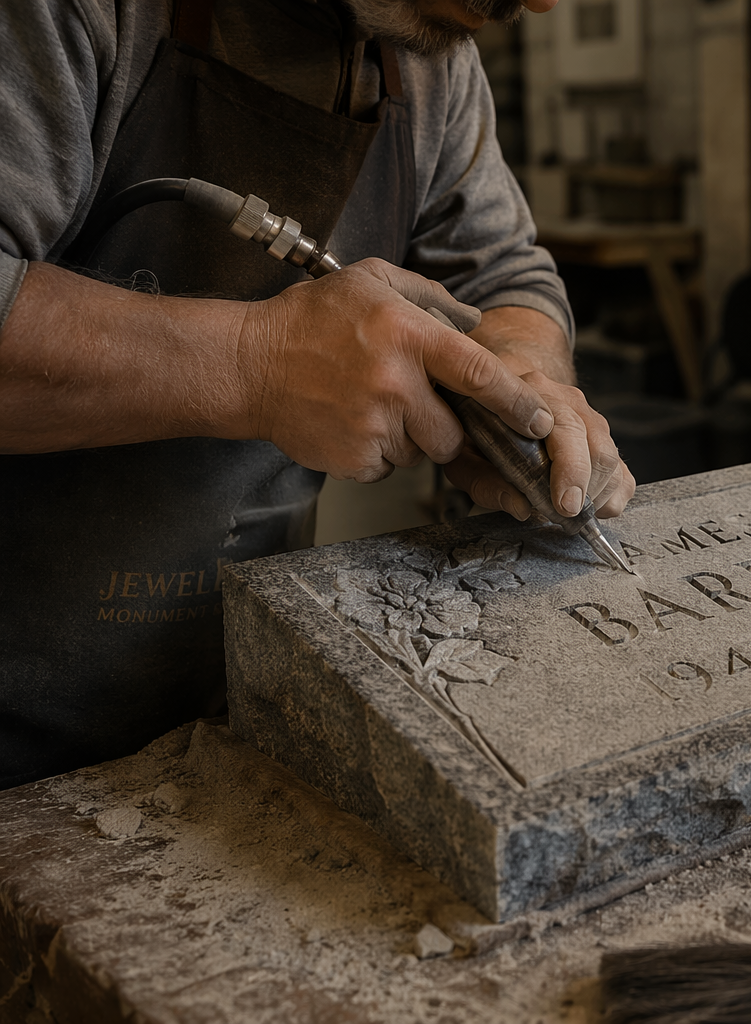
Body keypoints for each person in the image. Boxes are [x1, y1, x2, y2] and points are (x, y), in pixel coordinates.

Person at [0, 0, 634, 787]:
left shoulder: (431, 58)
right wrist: (255, 364)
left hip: (234, 691)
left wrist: (520, 382)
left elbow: (504, 273)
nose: (543, 4)